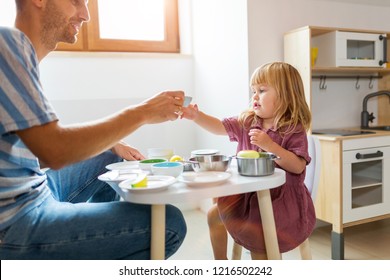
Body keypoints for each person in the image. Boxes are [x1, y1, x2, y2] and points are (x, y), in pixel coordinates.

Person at [0, 0, 187, 259]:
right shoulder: (7, 43)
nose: (86, 15)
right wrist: (143, 112)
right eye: (76, 1)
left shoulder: (20, 55)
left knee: (109, 157)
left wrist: (109, 143)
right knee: (168, 224)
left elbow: (36, 152)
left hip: (35, 189)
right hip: (14, 222)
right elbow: (55, 151)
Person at [181, 62, 316, 259]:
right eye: (253, 90)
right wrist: (196, 116)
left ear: (286, 95)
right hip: (247, 198)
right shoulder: (248, 121)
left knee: (257, 236)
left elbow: (297, 166)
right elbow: (219, 127)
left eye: (261, 90)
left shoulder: (292, 128)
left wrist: (271, 146)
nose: (254, 96)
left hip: (280, 202)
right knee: (213, 215)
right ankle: (221, 263)